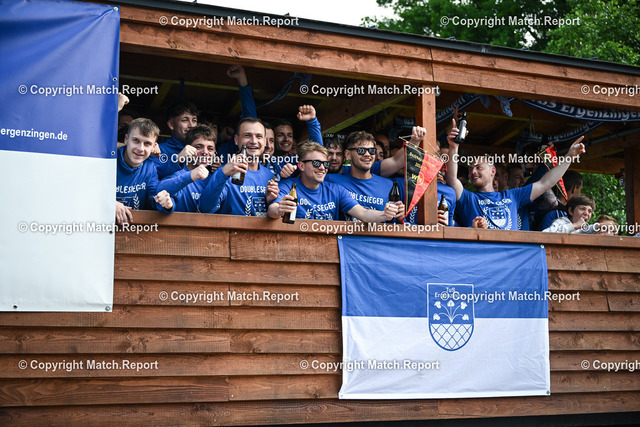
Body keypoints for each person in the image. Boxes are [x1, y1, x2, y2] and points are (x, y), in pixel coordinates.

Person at [446, 118, 586, 230]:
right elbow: (452, 179)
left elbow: (546, 183)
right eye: (470, 169)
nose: (473, 172)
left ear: (493, 171)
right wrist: (454, 147)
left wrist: (569, 157)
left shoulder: (513, 196)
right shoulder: (468, 198)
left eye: (478, 167)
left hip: (514, 256)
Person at [269, 142, 401, 222]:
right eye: (316, 163)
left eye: (325, 164)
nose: (322, 168)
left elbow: (363, 214)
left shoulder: (335, 189)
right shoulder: (288, 186)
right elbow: (271, 210)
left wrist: (385, 214)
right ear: (301, 166)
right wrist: (280, 209)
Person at [199, 117, 279, 216]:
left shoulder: (269, 176)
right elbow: (205, 209)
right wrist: (222, 174)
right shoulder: (225, 173)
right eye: (247, 135)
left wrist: (269, 203)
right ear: (236, 140)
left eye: (259, 136)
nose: (253, 141)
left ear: (264, 141)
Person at [324, 131, 405, 221]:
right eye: (361, 151)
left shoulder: (388, 185)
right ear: (348, 154)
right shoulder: (331, 181)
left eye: (371, 151)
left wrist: (400, 216)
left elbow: (396, 224)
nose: (367, 154)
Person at [116, 118, 174, 224]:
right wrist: (110, 203)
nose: (140, 148)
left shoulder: (150, 168)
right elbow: (88, 190)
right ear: (126, 139)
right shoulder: (110, 161)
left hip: (133, 228)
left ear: (154, 146)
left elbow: (154, 197)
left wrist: (167, 204)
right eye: (136, 141)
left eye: (147, 143)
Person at [156, 125, 219, 212]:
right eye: (199, 147)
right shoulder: (178, 174)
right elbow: (159, 190)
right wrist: (191, 175)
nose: (205, 152)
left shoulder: (214, 179)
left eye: (210, 149)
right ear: (187, 148)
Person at [149, 101, 199, 179]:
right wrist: (177, 160)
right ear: (171, 124)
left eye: (194, 120)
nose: (191, 125)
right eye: (185, 120)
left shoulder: (203, 148)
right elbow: (151, 175)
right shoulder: (159, 150)